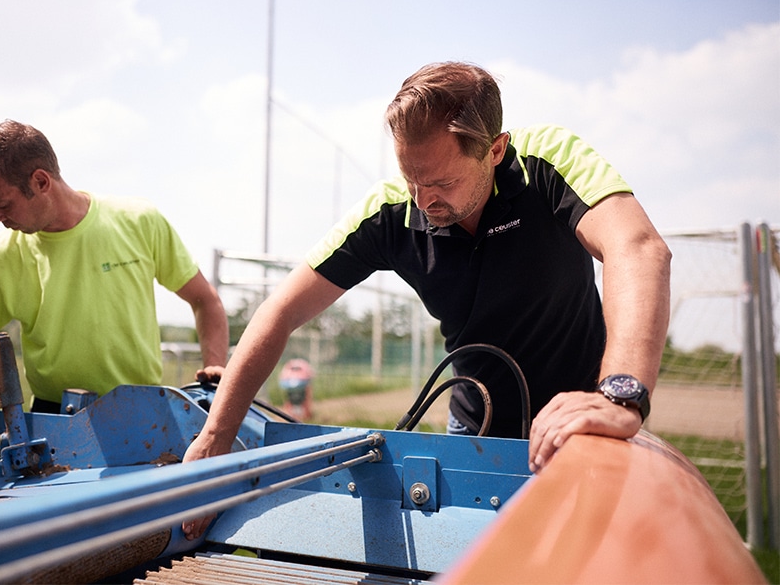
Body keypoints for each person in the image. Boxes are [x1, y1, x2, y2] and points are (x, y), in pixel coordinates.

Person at [181, 61, 671, 539]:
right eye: (412, 180)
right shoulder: (389, 211)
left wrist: (619, 396)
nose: (424, 200)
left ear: (495, 150)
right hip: (474, 433)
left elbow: (638, 249)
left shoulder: (546, 161)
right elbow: (280, 312)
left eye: (442, 183)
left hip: (580, 421)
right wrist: (216, 437)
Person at [0, 120, 229, 506]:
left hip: (145, 420)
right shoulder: (1, 259)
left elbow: (205, 301)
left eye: (1, 203)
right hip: (54, 431)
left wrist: (214, 367)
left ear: (41, 181)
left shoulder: (139, 222)